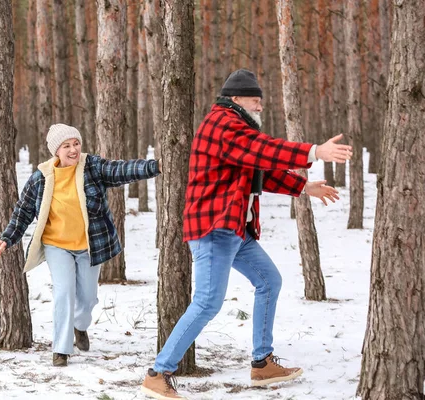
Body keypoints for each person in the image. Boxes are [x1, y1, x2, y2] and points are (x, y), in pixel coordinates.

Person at [140, 69, 352, 399]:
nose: (261, 106)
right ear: (236, 99)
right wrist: (314, 152)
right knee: (208, 302)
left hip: (234, 228)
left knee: (269, 281)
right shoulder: (223, 124)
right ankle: (159, 372)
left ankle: (262, 363)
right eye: (256, 100)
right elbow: (264, 150)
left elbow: (259, 172)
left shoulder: (237, 128)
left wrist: (303, 186)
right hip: (214, 228)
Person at [0, 123, 161, 367]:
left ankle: (79, 326)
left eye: (76, 143)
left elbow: (120, 170)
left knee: (88, 297)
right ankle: (60, 349)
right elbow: (24, 211)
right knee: (63, 293)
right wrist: (8, 237)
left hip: (88, 246)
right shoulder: (41, 178)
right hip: (56, 245)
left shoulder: (92, 167)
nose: (73, 149)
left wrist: (153, 166)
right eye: (67, 145)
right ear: (56, 151)